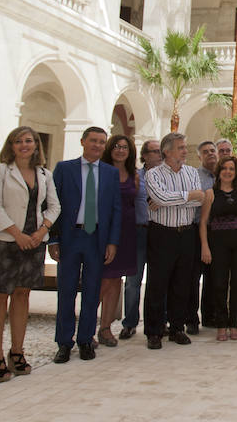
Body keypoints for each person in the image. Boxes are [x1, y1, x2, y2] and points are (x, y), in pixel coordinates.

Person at [0, 126, 60, 382]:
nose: (24, 145)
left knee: (22, 294)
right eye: (18, 141)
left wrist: (41, 230)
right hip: (3, 241)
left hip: (33, 242)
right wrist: (17, 234)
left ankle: (17, 351)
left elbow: (54, 206)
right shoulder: (0, 171)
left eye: (29, 140)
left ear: (36, 145)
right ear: (10, 145)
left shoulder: (44, 174)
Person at [50, 126, 121, 363]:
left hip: (97, 239)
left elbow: (115, 210)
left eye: (102, 142)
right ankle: (64, 342)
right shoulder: (64, 169)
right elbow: (53, 204)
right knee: (67, 292)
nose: (98, 146)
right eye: (94, 141)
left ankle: (85, 340)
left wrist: (112, 242)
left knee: (92, 293)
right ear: (83, 142)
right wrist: (54, 238)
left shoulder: (110, 173)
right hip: (71, 238)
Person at [144, 132, 204, 350]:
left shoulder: (191, 172)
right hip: (162, 234)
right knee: (157, 283)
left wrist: (171, 199)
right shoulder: (153, 174)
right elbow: (160, 198)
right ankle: (154, 330)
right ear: (167, 151)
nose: (185, 151)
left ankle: (177, 328)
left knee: (182, 283)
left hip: (186, 233)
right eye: (180, 147)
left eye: (185, 147)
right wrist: (188, 196)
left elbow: (200, 201)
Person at [200, 155, 237, 341]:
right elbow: (204, 222)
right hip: (217, 244)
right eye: (224, 168)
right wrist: (205, 246)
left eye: (231, 169)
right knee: (219, 284)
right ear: (219, 171)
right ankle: (221, 324)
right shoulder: (210, 194)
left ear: (236, 173)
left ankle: (233, 323)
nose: (228, 172)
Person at [97, 135, 139, 348]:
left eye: (124, 147)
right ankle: (86, 326)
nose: (121, 150)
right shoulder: (101, 171)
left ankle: (105, 328)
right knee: (102, 280)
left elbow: (137, 199)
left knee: (116, 280)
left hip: (128, 231)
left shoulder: (134, 174)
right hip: (106, 230)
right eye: (116, 146)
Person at [120, 139, 160, 340]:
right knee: (133, 281)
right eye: (155, 151)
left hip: (160, 232)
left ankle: (157, 322)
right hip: (139, 232)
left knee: (158, 281)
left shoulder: (166, 177)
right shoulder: (135, 176)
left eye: (161, 151)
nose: (159, 155)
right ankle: (129, 322)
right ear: (144, 155)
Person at [191, 140, 219, 332]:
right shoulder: (194, 176)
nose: (210, 154)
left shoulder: (225, 174)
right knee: (193, 277)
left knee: (214, 277)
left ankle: (211, 316)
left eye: (212, 151)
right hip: (196, 229)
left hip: (219, 232)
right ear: (199, 157)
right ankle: (191, 319)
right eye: (206, 152)